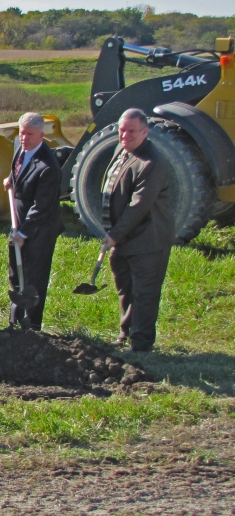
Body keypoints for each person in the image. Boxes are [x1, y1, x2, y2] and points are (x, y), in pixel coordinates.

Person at [103, 108, 175, 352]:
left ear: (145, 132)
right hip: (124, 237)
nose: (124, 135)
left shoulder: (151, 164)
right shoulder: (121, 150)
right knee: (125, 287)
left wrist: (113, 235)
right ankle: (126, 334)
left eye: (131, 131)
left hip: (148, 239)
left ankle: (142, 344)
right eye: (122, 130)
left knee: (144, 292)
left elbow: (138, 207)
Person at [3, 112, 64, 330]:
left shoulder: (48, 166)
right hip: (17, 223)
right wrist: (11, 179)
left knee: (33, 278)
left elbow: (42, 207)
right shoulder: (20, 148)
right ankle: (14, 321)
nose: (25, 138)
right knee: (15, 275)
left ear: (41, 134)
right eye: (22, 133)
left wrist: (24, 234)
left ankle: (31, 325)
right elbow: (19, 169)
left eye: (30, 134)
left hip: (39, 230)